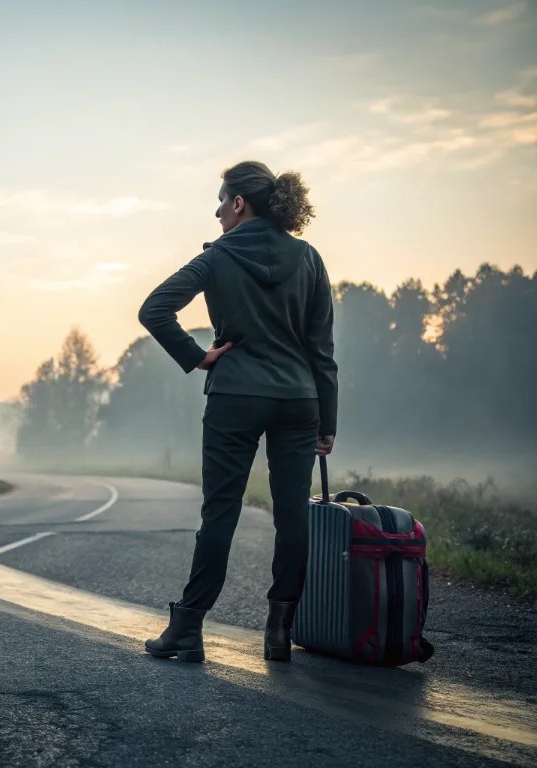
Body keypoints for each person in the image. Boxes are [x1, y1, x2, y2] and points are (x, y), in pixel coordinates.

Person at [137, 160, 338, 663]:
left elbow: (154, 309)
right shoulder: (309, 259)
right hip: (299, 402)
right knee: (293, 515)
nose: (216, 210)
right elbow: (322, 349)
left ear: (239, 203)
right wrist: (328, 422)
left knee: (220, 511)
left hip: (235, 398)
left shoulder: (217, 258)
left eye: (221, 200)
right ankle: (278, 632)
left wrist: (198, 355)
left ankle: (188, 628)